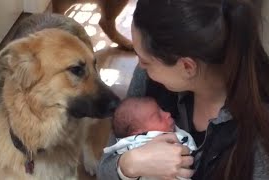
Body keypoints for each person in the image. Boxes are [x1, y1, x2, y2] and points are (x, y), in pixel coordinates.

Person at [97, 0, 269, 180]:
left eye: (145, 61)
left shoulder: (259, 138)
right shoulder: (147, 78)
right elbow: (105, 169)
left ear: (187, 67)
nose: (139, 66)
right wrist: (129, 164)